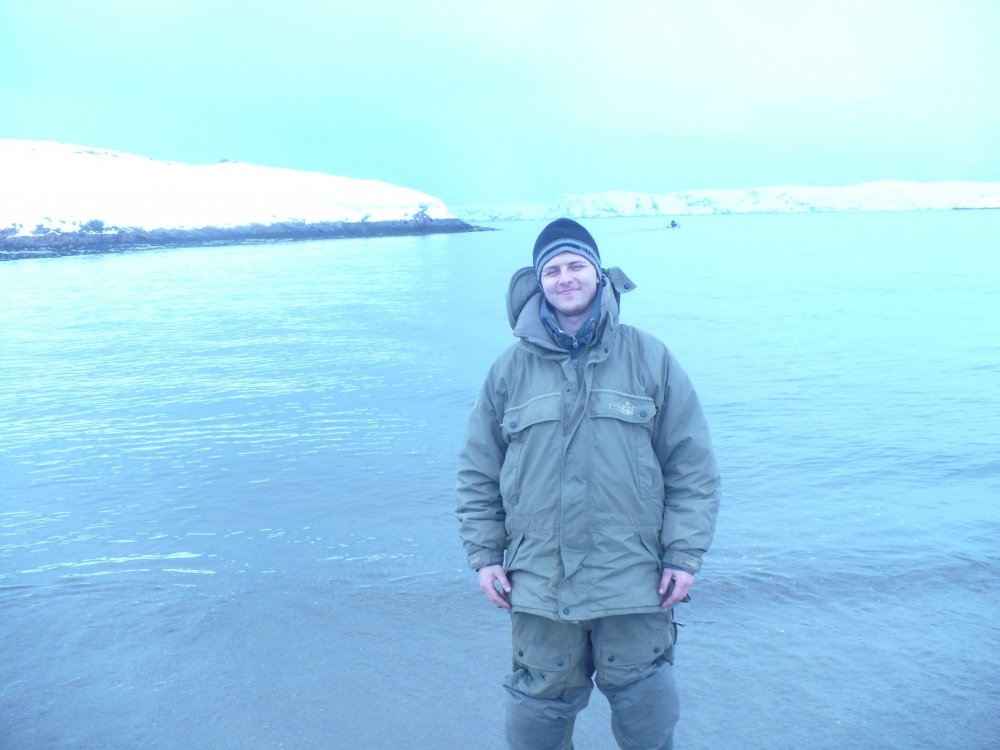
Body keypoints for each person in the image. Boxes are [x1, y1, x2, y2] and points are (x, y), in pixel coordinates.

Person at [455, 218, 721, 750]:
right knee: (535, 729)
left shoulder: (649, 358)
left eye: (576, 265)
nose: (566, 277)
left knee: (648, 725)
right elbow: (477, 472)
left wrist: (683, 555)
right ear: (538, 282)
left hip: (635, 581)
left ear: (599, 274)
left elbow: (691, 466)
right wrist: (485, 556)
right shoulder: (508, 371)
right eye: (552, 270)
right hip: (539, 585)